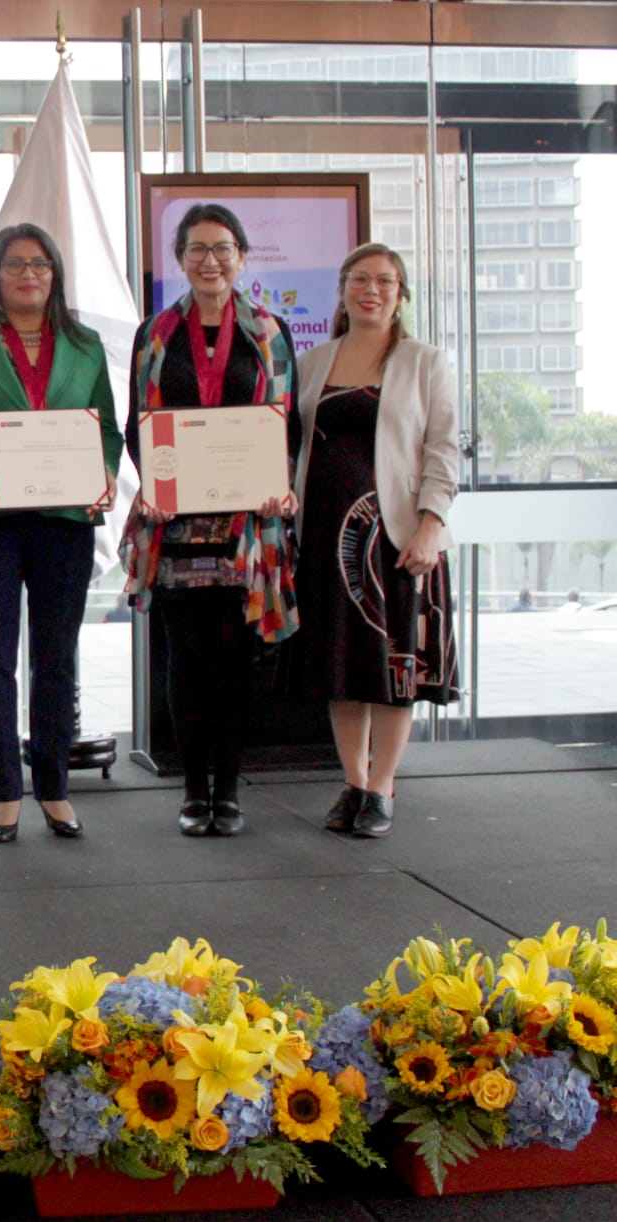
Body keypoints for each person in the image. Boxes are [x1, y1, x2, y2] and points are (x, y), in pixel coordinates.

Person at [0, 223, 121, 844]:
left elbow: (107, 433)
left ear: (55, 274)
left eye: (40, 264)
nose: (29, 275)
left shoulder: (87, 344)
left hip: (65, 522)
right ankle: (4, 793)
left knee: (55, 660)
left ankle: (54, 789)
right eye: (15, 265)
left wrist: (107, 476)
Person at [121, 203, 299, 838]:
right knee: (186, 662)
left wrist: (279, 490)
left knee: (235, 662)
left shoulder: (270, 333)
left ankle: (231, 790)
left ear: (242, 257)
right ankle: (193, 791)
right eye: (196, 249)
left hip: (247, 530)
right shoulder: (155, 335)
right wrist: (153, 485)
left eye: (222, 248)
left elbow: (288, 426)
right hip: (176, 528)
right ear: (179, 260)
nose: (210, 260)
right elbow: (136, 426)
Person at [287, 244, 460, 837]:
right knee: (341, 666)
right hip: (324, 538)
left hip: (399, 538)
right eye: (361, 279)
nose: (372, 289)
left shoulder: (425, 362)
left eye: (385, 281)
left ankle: (383, 786)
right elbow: (289, 448)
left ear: (400, 293)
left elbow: (443, 449)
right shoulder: (311, 362)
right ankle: (353, 782)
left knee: (393, 668)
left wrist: (431, 524)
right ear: (342, 290)